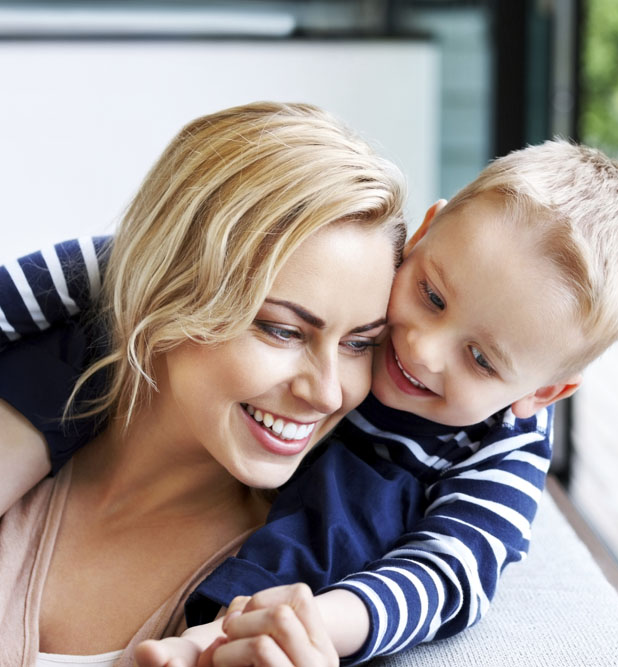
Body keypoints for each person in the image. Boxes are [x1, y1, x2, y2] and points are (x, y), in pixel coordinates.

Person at [1, 138, 618, 664]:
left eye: (481, 359)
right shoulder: (362, 255)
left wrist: (319, 624)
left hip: (325, 541)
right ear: (427, 234)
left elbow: (451, 571)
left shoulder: (501, 443)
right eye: (430, 297)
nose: (423, 350)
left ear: (542, 392)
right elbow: (111, 267)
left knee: (362, 509)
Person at [0, 100, 418, 666]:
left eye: (358, 344)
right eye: (282, 330)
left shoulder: (312, 587)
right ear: (165, 295)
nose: (326, 392)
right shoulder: (17, 436)